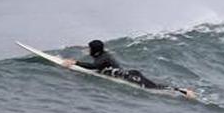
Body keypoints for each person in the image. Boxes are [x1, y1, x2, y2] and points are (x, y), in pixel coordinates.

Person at [63, 40, 195, 98]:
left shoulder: (102, 58)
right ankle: (181, 90)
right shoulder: (102, 54)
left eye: (90, 48)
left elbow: (95, 66)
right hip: (128, 73)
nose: (88, 50)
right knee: (154, 86)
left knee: (153, 87)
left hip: (129, 76)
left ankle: (183, 91)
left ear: (95, 51)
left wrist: (75, 62)